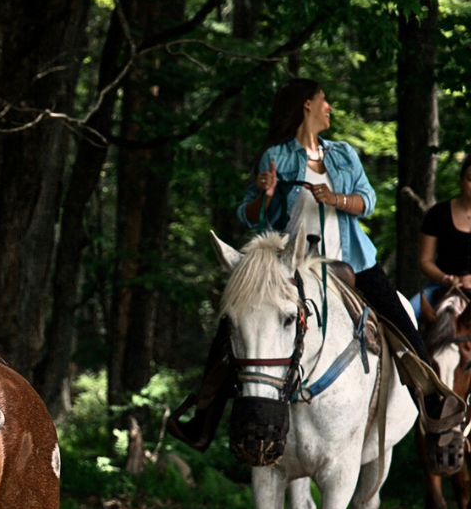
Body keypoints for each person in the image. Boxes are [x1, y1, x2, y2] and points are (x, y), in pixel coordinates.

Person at [168, 78, 464, 468]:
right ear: (307, 105)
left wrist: (336, 199)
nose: (329, 109)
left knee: (403, 328)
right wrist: (265, 196)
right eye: (324, 102)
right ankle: (202, 420)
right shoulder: (275, 156)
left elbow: (368, 202)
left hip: (352, 262)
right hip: (291, 268)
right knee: (233, 330)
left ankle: (435, 410)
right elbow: (249, 216)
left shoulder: (343, 154)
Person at [412, 153, 471, 314]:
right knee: (407, 313)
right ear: (461, 181)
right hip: (440, 286)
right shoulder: (438, 213)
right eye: (470, 179)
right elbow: (425, 260)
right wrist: (446, 279)